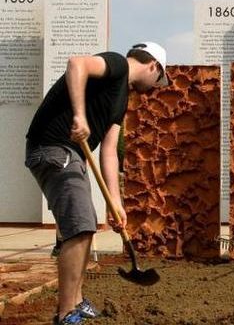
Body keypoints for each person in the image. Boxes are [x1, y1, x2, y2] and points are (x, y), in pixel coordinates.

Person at [25, 42, 169, 325]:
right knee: (79, 227)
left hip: (70, 155)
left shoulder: (121, 98)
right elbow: (76, 63)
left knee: (87, 224)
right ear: (153, 65)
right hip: (53, 148)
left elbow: (109, 151)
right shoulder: (117, 64)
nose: (155, 87)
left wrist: (115, 201)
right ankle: (66, 314)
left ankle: (76, 302)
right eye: (159, 80)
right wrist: (79, 115)